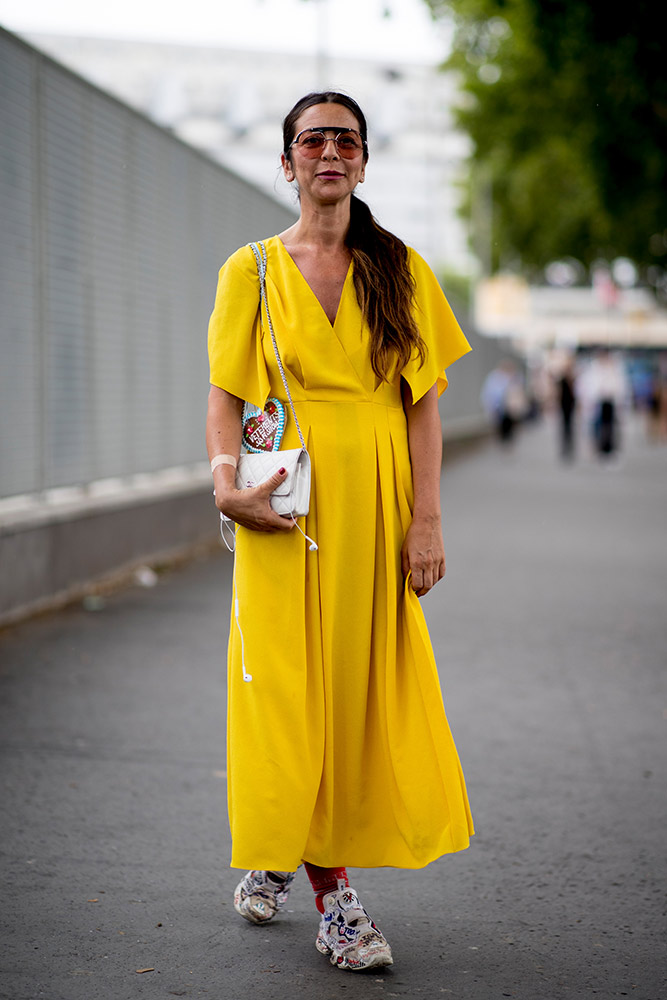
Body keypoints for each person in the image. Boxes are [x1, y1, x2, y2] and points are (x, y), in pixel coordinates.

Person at [205, 91, 474, 973]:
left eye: (345, 140)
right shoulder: (247, 272)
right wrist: (222, 487)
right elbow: (228, 394)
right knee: (287, 695)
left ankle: (286, 845)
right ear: (286, 163)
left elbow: (423, 403)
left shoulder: (402, 270)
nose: (329, 151)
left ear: (363, 162)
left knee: (351, 699)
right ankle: (338, 906)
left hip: (374, 507)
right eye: (311, 139)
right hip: (283, 508)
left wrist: (424, 520)